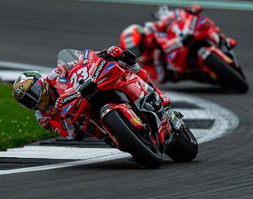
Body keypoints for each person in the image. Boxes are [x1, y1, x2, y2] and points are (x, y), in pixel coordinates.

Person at [12, 46, 170, 141]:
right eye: (28, 101)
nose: (35, 101)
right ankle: (121, 137)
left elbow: (80, 60)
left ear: (40, 84)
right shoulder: (43, 118)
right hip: (84, 120)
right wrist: (65, 117)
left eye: (34, 93)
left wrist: (103, 54)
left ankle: (155, 92)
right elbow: (70, 134)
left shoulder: (55, 75)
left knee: (124, 61)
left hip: (88, 88)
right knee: (92, 132)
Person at [119, 4, 204, 83]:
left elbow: (171, 17)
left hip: (181, 39)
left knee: (194, 21)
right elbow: (159, 77)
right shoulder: (145, 61)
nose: (137, 52)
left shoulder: (151, 29)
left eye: (137, 48)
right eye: (133, 51)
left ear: (142, 37)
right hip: (176, 60)